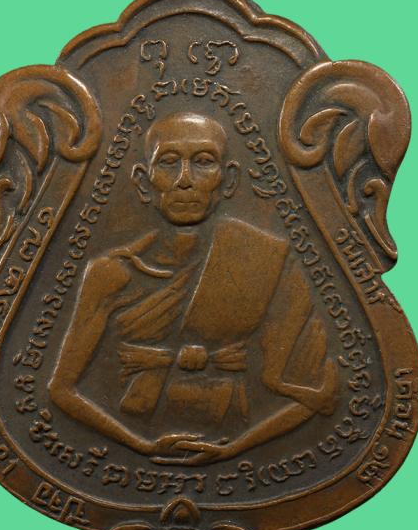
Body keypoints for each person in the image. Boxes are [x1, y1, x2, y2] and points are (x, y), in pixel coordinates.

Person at [48, 111, 338, 465]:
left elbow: (319, 394)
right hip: (131, 443)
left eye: (203, 162)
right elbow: (61, 389)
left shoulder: (266, 258)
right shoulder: (111, 273)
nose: (185, 180)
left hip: (238, 438)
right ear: (143, 181)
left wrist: (235, 449)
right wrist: (141, 446)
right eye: (169, 162)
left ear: (228, 180)